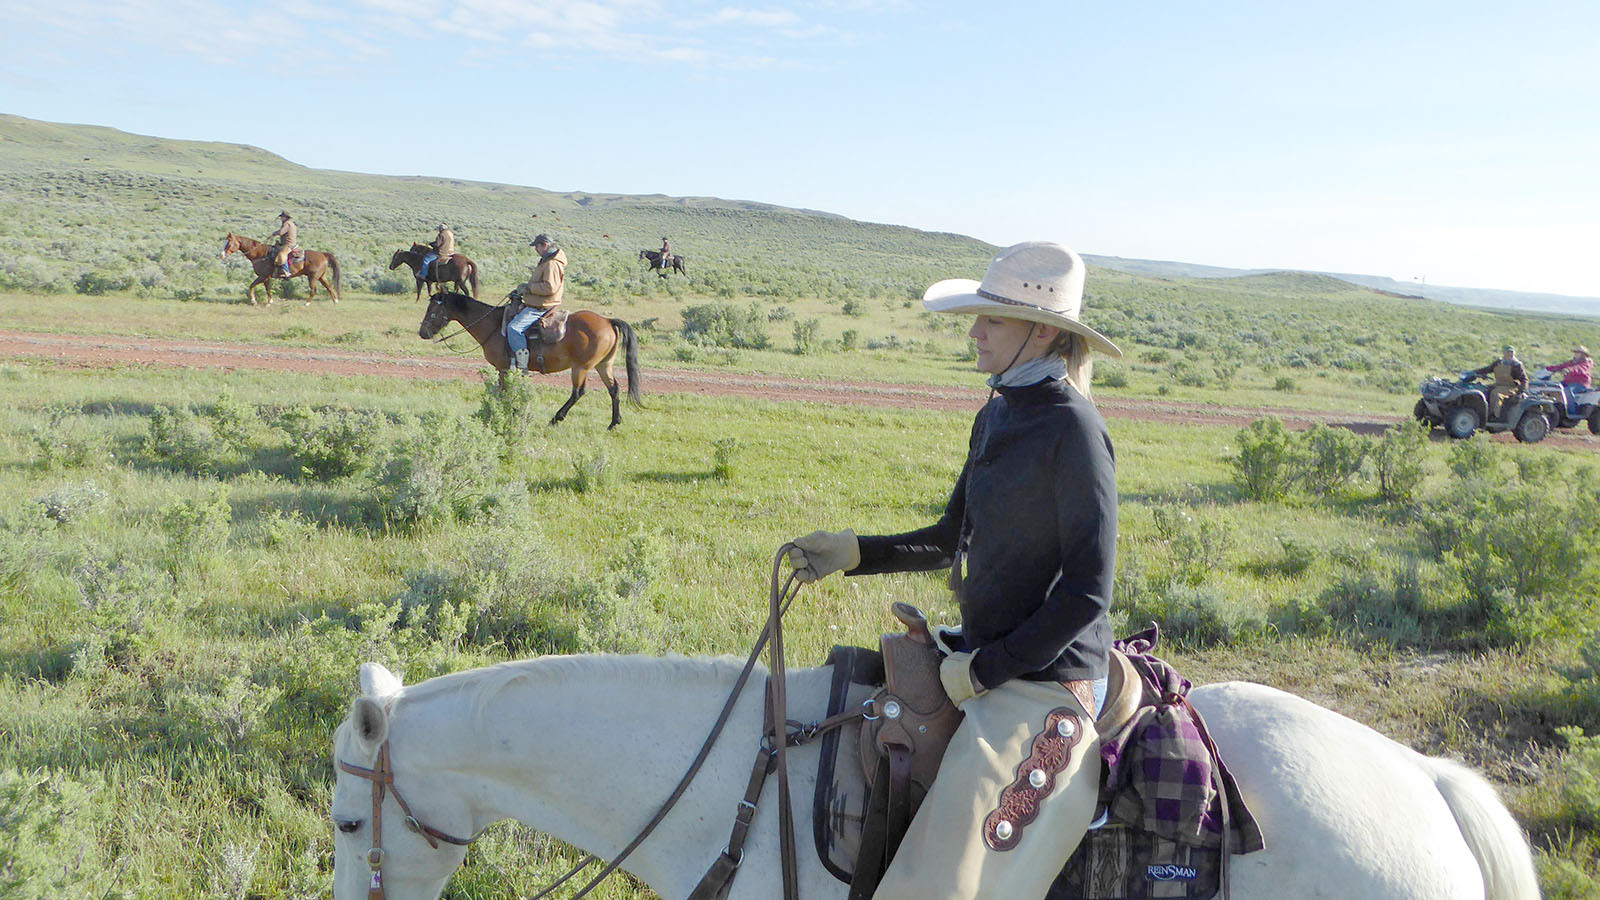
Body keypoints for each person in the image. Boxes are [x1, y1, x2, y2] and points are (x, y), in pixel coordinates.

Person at [785, 241, 1121, 898]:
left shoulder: (1074, 429)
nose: (975, 332)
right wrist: (856, 552)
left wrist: (985, 671)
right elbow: (949, 540)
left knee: (935, 886)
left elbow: (1087, 593)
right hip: (987, 656)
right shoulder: (997, 412)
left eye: (990, 319)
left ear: (1043, 330)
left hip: (1047, 684)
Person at [506, 234, 567, 372]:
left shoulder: (551, 263)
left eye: (537, 246)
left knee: (514, 328)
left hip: (542, 305)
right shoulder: (547, 261)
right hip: (539, 301)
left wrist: (528, 288)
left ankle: (522, 367)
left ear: (545, 245)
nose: (536, 249)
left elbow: (549, 287)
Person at [1474, 345, 1527, 421]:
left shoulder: (1517, 365)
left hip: (1511, 387)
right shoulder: (1499, 362)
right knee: (1484, 390)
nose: (1510, 354)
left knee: (1496, 394)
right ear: (1504, 353)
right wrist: (1475, 372)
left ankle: (1495, 416)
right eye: (1508, 352)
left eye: (1511, 352)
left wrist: (1521, 392)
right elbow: (1488, 369)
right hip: (1499, 385)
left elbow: (1524, 380)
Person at [270, 211, 298, 276]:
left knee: (281, 254)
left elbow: (281, 232)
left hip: (288, 244)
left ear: (285, 217)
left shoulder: (287, 224)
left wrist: (274, 233)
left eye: (282, 217)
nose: (281, 218)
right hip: (289, 243)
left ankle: (286, 271)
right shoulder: (291, 223)